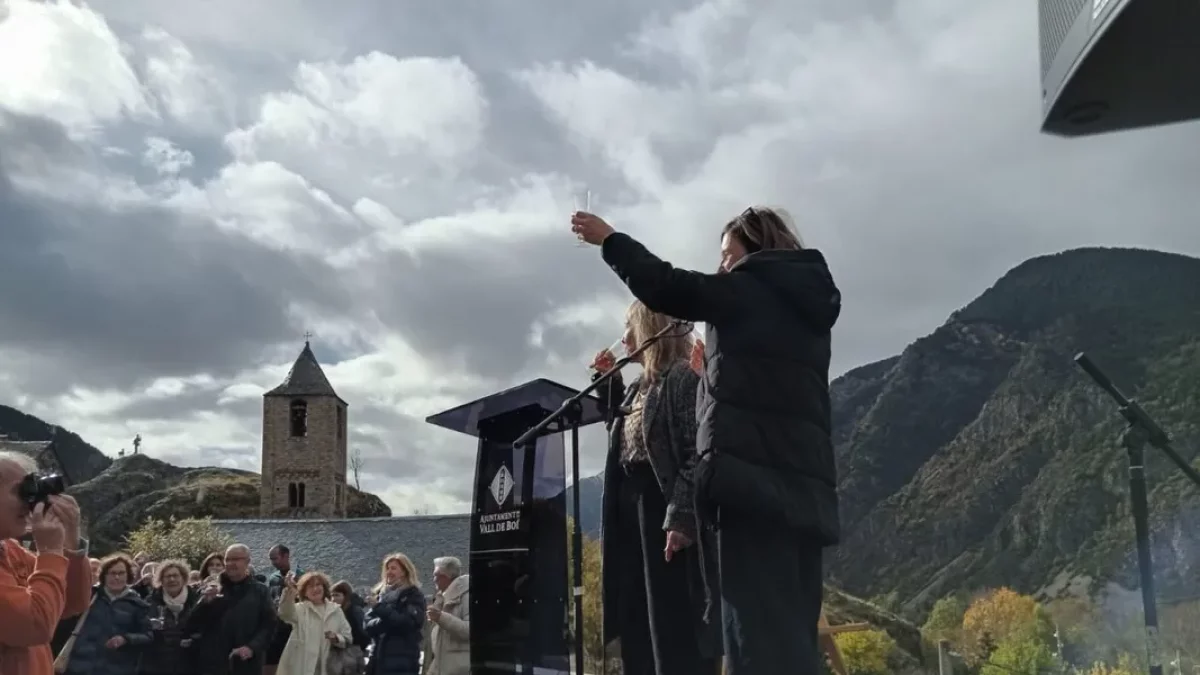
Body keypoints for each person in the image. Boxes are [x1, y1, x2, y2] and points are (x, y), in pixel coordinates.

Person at [572, 206, 842, 675]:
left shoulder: (748, 288)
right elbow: (766, 387)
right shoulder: (804, 309)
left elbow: (670, 286)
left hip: (751, 490)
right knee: (791, 636)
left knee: (754, 640)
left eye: (727, 255)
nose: (721, 267)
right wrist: (715, 377)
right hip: (803, 492)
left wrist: (610, 240)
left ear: (755, 250)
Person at [588, 301, 720, 675]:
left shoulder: (681, 378)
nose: (625, 339)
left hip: (664, 512)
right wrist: (609, 384)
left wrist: (681, 516)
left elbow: (699, 452)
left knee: (672, 620)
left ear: (651, 330)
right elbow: (628, 441)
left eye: (631, 329)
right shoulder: (637, 387)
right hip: (632, 514)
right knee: (636, 616)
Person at [0, 451, 93, 675]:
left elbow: (72, 603)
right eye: (21, 491)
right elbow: (34, 625)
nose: (30, 502)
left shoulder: (10, 550)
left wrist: (70, 543)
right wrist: (50, 550)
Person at [185, 544, 278, 675]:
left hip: (246, 663)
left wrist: (252, 647)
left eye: (235, 559)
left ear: (247, 562)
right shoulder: (210, 588)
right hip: (212, 664)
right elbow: (191, 625)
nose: (230, 563)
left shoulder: (260, 591)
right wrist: (204, 603)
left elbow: (269, 624)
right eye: (227, 559)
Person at [62, 554, 154, 675]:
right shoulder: (89, 597)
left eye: (121, 573)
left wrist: (126, 639)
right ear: (104, 575)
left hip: (117, 668)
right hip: (79, 667)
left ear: (128, 576)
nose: (116, 577)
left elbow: (148, 635)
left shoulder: (137, 604)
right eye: (112, 573)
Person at [276, 571, 353, 675]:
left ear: (324, 587)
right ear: (304, 592)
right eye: (310, 586)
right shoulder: (300, 609)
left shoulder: (336, 610)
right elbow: (284, 613)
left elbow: (348, 638)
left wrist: (336, 638)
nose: (315, 589)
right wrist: (290, 590)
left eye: (318, 585)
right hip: (302, 668)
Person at [364, 553, 427, 675]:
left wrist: (379, 608)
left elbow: (407, 623)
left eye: (393, 568)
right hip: (377, 660)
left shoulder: (413, 595)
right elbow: (367, 625)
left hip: (402, 662)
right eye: (387, 568)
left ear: (404, 572)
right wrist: (387, 621)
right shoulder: (380, 595)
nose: (389, 572)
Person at [142, 559, 201, 675]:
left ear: (183, 578)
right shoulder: (150, 601)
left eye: (175, 576)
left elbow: (204, 628)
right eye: (167, 576)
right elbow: (142, 629)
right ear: (161, 580)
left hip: (190, 664)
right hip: (157, 665)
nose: (172, 579)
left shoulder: (196, 600)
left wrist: (193, 639)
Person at [425, 557, 469, 675]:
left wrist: (441, 617)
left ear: (446, 576)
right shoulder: (441, 598)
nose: (433, 580)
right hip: (439, 665)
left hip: (456, 668)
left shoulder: (466, 596)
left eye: (436, 575)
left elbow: (470, 631)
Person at [266, 544, 302, 675]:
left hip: (292, 628)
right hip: (276, 628)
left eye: (275, 558)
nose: (273, 562)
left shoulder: (300, 577)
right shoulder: (273, 578)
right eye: (271, 559)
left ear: (286, 556)